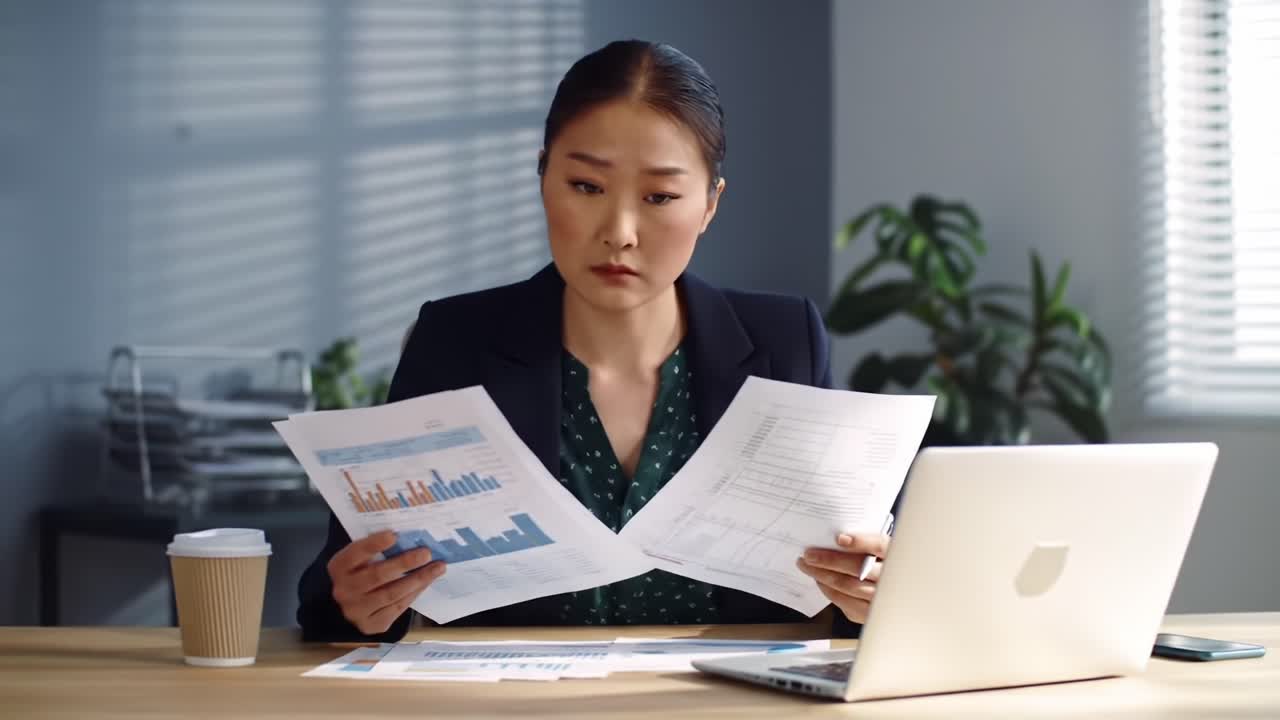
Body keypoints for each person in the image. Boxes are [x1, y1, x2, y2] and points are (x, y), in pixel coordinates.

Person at [297, 40, 892, 642]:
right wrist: (355, 604)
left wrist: (868, 592)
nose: (620, 233)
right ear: (542, 177)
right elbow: (335, 589)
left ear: (711, 203)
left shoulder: (785, 341)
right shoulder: (454, 341)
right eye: (585, 186)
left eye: (659, 197)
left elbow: (844, 579)